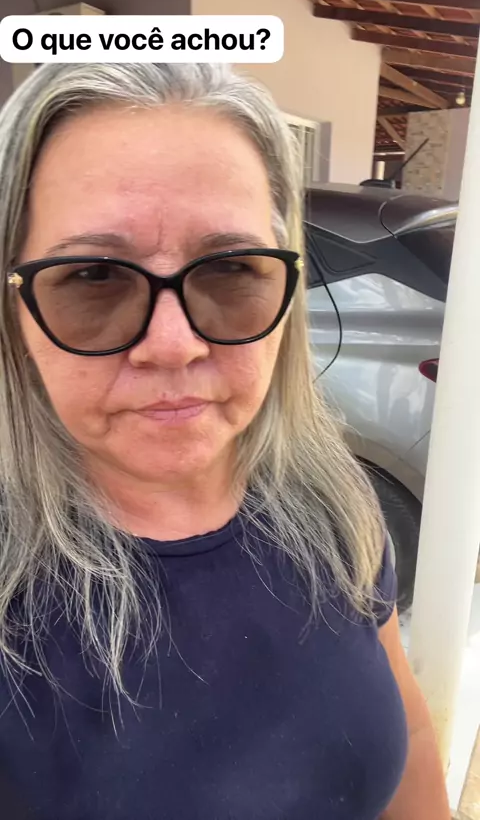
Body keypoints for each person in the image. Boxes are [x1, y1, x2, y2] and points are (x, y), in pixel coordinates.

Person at [0, 62, 450, 820]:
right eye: (95, 276)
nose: (173, 345)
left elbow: (406, 729)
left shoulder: (330, 501)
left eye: (232, 268)